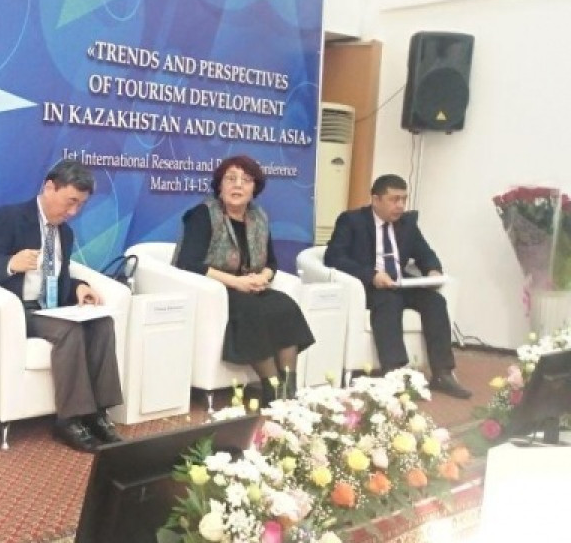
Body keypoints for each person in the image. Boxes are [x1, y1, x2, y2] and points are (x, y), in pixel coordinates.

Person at [0, 159, 124, 453]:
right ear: (50, 187)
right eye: (71, 202)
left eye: (80, 205)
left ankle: (98, 413)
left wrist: (78, 286)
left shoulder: (65, 233)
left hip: (52, 308)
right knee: (69, 331)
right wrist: (10, 264)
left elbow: (57, 275)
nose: (73, 212)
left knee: (102, 323)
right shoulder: (10, 218)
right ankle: (70, 419)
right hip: (21, 311)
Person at [173, 155, 314, 406]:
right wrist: (235, 282)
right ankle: (272, 389)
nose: (237, 185)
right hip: (214, 287)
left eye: (246, 180)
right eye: (230, 179)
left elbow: (272, 263)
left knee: (285, 305)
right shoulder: (203, 214)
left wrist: (262, 277)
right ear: (220, 185)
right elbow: (189, 262)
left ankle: (288, 389)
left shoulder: (258, 217)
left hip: (249, 285)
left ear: (254, 189)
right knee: (251, 310)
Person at [324, 174, 472, 398]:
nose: (400, 205)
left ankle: (443, 373)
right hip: (369, 285)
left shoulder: (407, 224)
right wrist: (372, 275)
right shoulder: (352, 221)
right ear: (376, 200)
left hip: (400, 282)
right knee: (389, 301)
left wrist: (432, 270)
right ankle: (395, 373)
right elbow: (334, 257)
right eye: (394, 199)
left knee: (435, 302)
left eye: (404, 199)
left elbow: (425, 253)